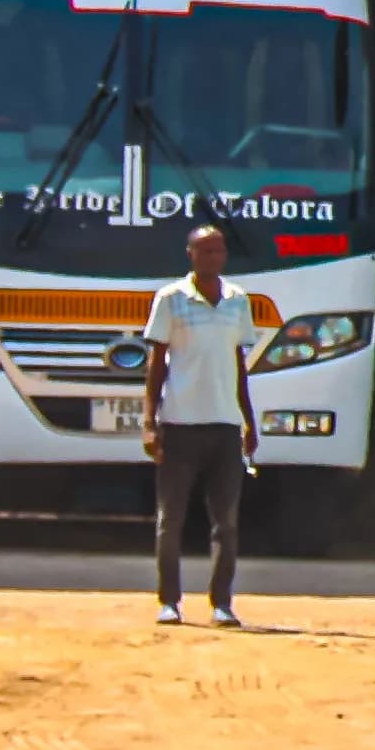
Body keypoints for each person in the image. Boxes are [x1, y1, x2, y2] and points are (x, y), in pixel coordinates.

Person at [143, 223, 257, 626]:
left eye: (219, 250)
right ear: (190, 254)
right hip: (180, 423)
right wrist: (150, 421)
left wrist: (249, 420)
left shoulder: (238, 301)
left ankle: (222, 603)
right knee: (170, 519)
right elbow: (156, 363)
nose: (214, 257)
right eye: (205, 251)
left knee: (225, 522)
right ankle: (169, 601)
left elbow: (238, 365)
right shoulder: (171, 299)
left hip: (225, 426)